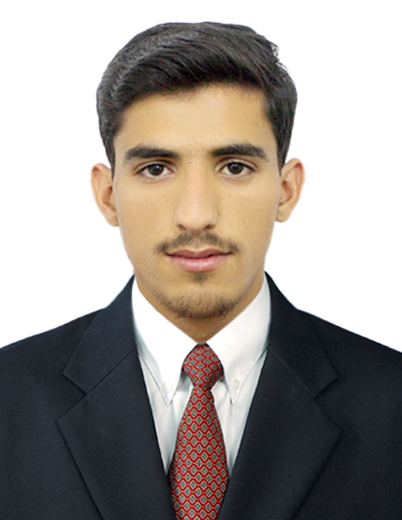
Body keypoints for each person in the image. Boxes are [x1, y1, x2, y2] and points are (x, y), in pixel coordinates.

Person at [1, 22, 402, 520]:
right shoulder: (9, 398)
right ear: (108, 194)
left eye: (234, 167)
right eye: (156, 168)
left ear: (286, 189)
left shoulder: (392, 404)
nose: (195, 215)